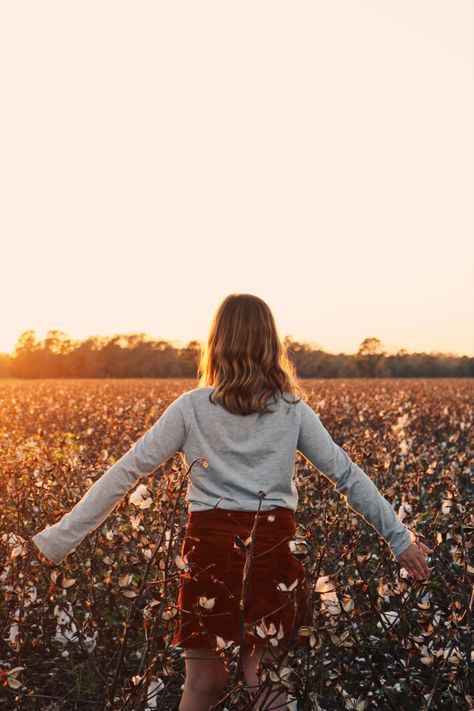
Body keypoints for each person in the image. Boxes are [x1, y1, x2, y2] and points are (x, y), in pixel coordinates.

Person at [31, 293, 432, 711]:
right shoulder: (292, 410)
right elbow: (346, 475)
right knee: (267, 684)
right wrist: (399, 539)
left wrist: (62, 537)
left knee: (202, 685)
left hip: (211, 552)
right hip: (274, 549)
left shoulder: (191, 408)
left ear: (216, 343)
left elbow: (126, 471)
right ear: (270, 345)